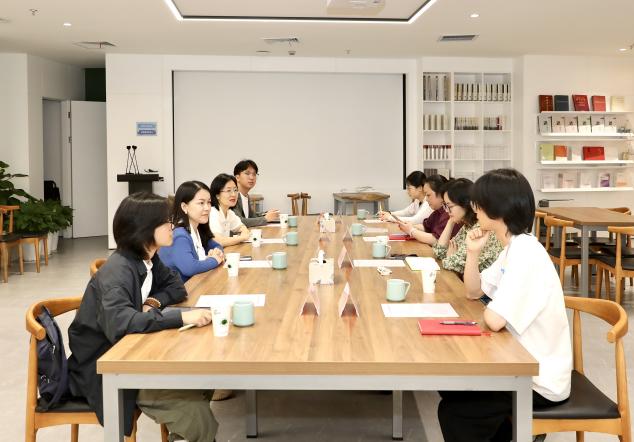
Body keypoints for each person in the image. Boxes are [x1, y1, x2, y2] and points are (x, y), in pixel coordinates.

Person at [67, 192, 218, 442]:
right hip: (109, 368)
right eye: (167, 221)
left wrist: (152, 302)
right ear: (145, 228)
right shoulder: (118, 271)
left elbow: (176, 287)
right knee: (197, 414)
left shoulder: (147, 257)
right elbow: (122, 322)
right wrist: (180, 318)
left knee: (203, 379)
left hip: (133, 353)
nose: (173, 226)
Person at [437, 169, 572, 442]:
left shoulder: (526, 253)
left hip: (537, 379)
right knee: (450, 387)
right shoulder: (515, 246)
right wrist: (473, 253)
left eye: (479, 203)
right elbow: (474, 292)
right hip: (517, 361)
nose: (475, 209)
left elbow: (495, 320)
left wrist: (492, 306)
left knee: (454, 412)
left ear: (496, 208)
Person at [431, 178, 502, 276]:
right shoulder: (467, 226)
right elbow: (440, 253)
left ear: (465, 203)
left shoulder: (480, 228)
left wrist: (451, 257)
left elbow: (452, 264)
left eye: (450, 206)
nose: (447, 211)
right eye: (445, 206)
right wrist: (450, 222)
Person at [159, 181, 224, 283]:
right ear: (184, 207)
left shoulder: (198, 228)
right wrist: (214, 260)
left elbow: (217, 246)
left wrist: (216, 252)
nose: (207, 208)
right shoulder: (179, 235)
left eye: (209, 202)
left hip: (195, 285)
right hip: (181, 290)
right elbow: (190, 268)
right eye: (201, 203)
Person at [397, 174, 459, 245]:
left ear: (441, 194)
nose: (426, 199)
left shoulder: (448, 213)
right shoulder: (438, 211)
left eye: (428, 195)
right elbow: (426, 227)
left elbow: (436, 240)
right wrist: (409, 227)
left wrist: (411, 230)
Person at [232, 159, 279, 227]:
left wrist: (267, 214)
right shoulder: (233, 196)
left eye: (254, 174)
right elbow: (239, 221)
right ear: (237, 177)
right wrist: (265, 218)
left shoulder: (246, 196)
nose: (252, 177)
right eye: (247, 173)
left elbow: (252, 216)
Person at [209, 173, 250, 247]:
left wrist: (244, 233)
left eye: (235, 190)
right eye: (228, 191)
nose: (233, 194)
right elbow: (219, 241)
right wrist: (242, 238)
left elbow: (241, 226)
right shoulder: (212, 213)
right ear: (217, 195)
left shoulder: (229, 212)